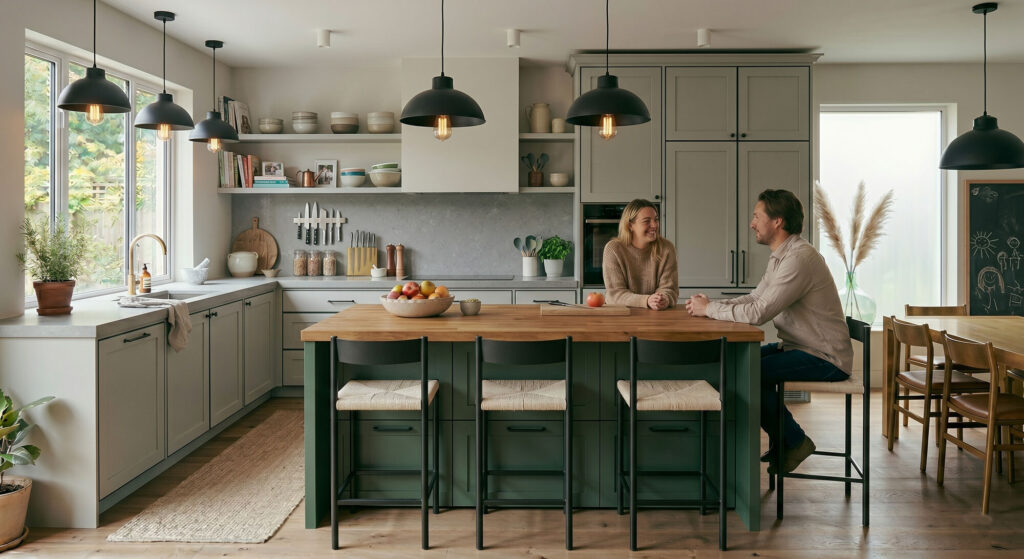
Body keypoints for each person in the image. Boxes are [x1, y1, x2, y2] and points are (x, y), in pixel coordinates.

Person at [686, 189, 853, 474]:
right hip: (799, 348)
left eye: (756, 216)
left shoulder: (799, 259)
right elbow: (754, 298)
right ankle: (785, 442)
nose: (752, 223)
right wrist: (711, 305)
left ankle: (794, 441)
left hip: (824, 357)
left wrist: (710, 309)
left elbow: (758, 314)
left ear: (777, 221)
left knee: (746, 371)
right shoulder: (781, 257)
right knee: (736, 364)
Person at [602, 199, 678, 310]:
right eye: (647, 221)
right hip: (623, 316)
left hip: (657, 316)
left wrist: (664, 299)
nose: (654, 225)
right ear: (630, 226)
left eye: (656, 220)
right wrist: (646, 300)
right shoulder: (614, 249)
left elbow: (669, 289)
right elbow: (615, 295)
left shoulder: (666, 248)